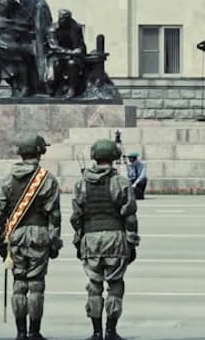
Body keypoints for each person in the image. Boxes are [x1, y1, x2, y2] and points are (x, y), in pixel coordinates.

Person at [0, 133, 62, 340]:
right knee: (36, 285)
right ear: (40, 152)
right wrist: (54, 240)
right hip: (39, 234)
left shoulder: (7, 179)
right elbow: (54, 214)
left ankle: (20, 332)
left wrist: (0, 240)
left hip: (15, 235)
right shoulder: (47, 179)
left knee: (19, 284)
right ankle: (34, 331)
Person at [72, 139, 139, 340]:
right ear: (113, 157)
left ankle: (95, 331)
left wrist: (78, 240)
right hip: (115, 237)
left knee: (94, 285)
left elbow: (76, 216)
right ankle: (110, 330)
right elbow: (130, 215)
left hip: (90, 238)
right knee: (115, 284)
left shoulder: (81, 183)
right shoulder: (120, 182)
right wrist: (132, 241)